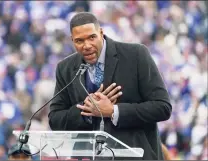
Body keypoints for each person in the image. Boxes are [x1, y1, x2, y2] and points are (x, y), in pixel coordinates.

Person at [48, 12, 172, 160]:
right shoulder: (65, 68)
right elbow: (55, 119)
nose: (87, 45)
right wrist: (87, 109)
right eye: (79, 41)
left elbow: (163, 107)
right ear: (72, 40)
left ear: (101, 33)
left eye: (92, 37)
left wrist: (113, 111)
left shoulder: (136, 55)